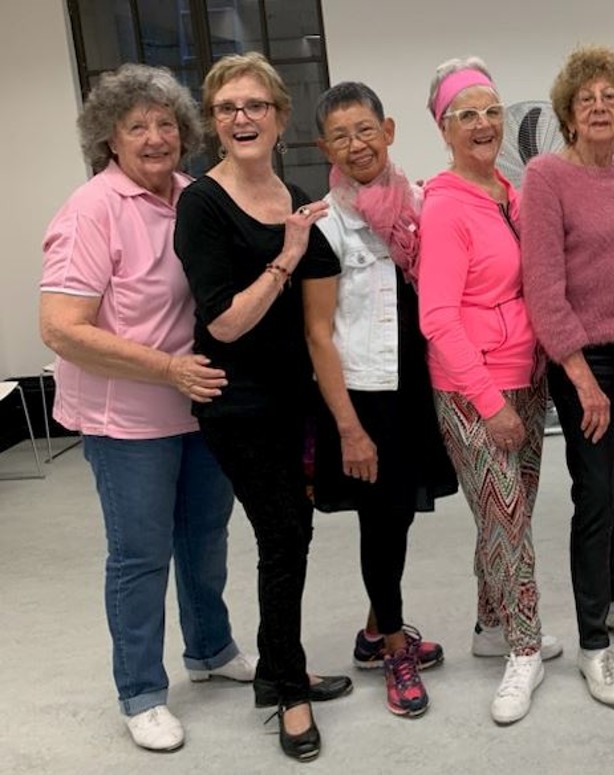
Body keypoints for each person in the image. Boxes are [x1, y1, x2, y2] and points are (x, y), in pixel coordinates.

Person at [38, 63, 255, 753]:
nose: (155, 137)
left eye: (166, 123)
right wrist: (166, 368)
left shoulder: (195, 196)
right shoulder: (92, 209)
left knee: (206, 537)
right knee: (139, 556)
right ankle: (141, 691)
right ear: (110, 138)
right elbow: (60, 327)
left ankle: (211, 648)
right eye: (137, 126)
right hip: (126, 420)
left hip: (199, 407)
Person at [173, 52, 349, 761]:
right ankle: (288, 691)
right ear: (214, 123)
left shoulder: (293, 194)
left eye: (255, 106)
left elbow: (320, 303)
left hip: (291, 399)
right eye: (227, 108)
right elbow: (224, 323)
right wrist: (287, 254)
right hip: (236, 404)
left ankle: (280, 667)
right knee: (281, 537)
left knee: (293, 534)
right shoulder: (202, 204)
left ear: (278, 117)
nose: (241, 118)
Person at [304, 81, 458, 719]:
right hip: (364, 397)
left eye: (365, 130)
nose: (356, 145)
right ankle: (394, 646)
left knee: (398, 517)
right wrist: (348, 428)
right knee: (380, 521)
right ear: (325, 148)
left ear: (388, 130)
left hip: (416, 385)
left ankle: (374, 630)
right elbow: (318, 333)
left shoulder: (421, 202)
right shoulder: (325, 224)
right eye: (340, 136)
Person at [520, 45, 614, 709]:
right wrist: (580, 376)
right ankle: (592, 645)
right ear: (568, 115)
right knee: (597, 495)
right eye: (587, 99)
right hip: (588, 361)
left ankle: (610, 599)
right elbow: (543, 286)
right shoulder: (546, 176)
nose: (600, 107)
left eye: (611, 97)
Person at [419, 56, 561, 726]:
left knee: (507, 515)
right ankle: (525, 648)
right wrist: (489, 401)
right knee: (507, 521)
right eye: (466, 114)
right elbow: (437, 318)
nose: (483, 124)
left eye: (491, 111)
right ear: (444, 129)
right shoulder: (445, 206)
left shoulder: (510, 192)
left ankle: (489, 624)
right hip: (475, 388)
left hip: (526, 377)